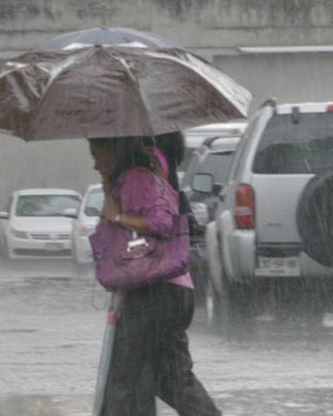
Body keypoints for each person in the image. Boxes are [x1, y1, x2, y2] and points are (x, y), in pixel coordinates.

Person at [89, 137, 221, 416]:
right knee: (171, 378)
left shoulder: (137, 177)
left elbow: (162, 223)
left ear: (115, 150)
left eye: (97, 154)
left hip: (154, 293)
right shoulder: (131, 178)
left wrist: (117, 218)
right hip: (170, 291)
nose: (94, 163)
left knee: (122, 377)